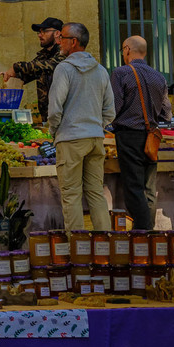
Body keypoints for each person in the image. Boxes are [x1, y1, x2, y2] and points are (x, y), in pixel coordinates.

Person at [47, 21, 115, 233]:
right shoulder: (101, 70)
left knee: (71, 196)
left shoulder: (64, 68)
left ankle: (78, 251)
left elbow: (55, 108)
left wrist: (54, 130)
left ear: (73, 42)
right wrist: (96, 126)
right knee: (95, 193)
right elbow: (110, 110)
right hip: (95, 139)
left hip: (70, 138)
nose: (58, 42)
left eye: (62, 38)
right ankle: (106, 246)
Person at [109, 34, 171, 233]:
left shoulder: (121, 73)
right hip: (152, 137)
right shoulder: (158, 76)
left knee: (134, 187)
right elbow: (166, 114)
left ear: (127, 49)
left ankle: (143, 233)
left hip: (129, 136)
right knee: (148, 188)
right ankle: (149, 235)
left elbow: (113, 109)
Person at [3, 17, 65, 122]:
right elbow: (30, 72)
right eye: (39, 32)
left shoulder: (63, 52)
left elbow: (50, 66)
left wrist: (16, 67)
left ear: (57, 33)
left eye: (44, 31)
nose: (40, 35)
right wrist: (12, 75)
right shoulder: (43, 56)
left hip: (65, 117)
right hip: (47, 118)